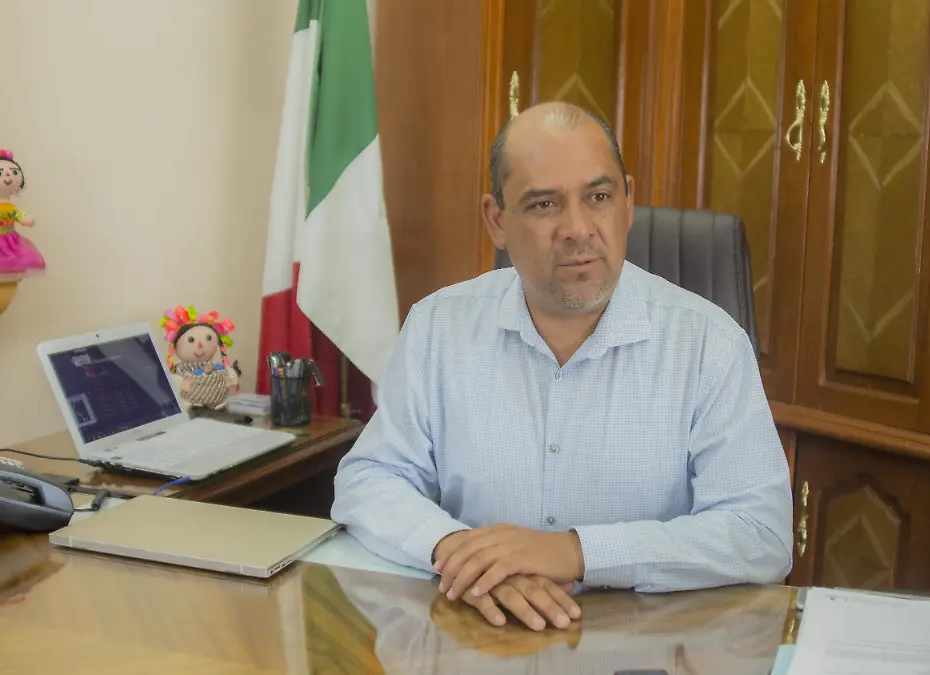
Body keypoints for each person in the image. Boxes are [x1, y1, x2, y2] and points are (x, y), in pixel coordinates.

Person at [331, 101, 793, 632]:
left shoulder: (708, 344)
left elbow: (761, 534)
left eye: (598, 197)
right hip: (481, 635)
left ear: (627, 204)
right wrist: (465, 553)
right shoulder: (438, 327)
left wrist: (576, 552)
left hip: (646, 648)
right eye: (544, 204)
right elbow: (370, 478)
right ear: (497, 221)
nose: (578, 228)